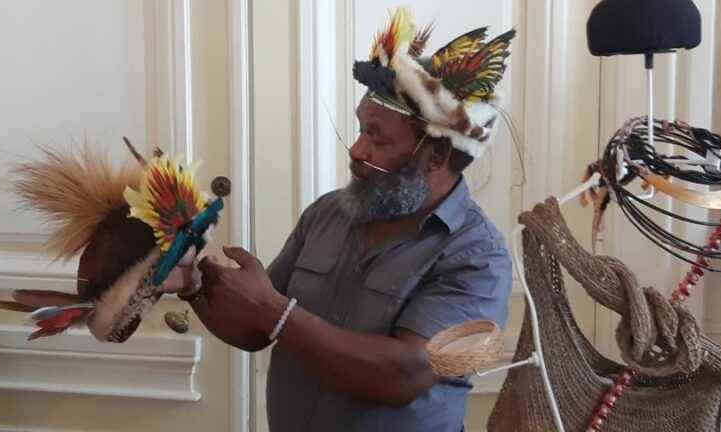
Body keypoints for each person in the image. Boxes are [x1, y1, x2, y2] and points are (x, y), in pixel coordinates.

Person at [165, 8, 516, 432]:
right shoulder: (329, 212)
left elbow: (405, 374)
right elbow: (257, 328)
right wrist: (194, 284)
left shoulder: (478, 257)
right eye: (359, 129)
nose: (356, 149)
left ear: (436, 156)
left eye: (376, 136)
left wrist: (275, 311)